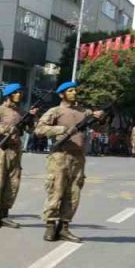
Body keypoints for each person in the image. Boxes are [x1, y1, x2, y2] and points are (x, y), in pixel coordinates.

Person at [33, 81, 105, 242]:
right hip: (60, 155)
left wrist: (100, 119)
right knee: (56, 190)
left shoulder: (85, 112)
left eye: (75, 90)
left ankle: (64, 227)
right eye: (70, 90)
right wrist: (62, 130)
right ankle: (50, 225)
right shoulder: (55, 111)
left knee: (74, 192)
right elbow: (39, 129)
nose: (74, 93)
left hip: (78, 157)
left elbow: (101, 130)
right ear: (62, 94)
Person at [0, 82, 37, 229]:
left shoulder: (20, 112)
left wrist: (31, 120)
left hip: (16, 150)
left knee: (13, 183)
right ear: (9, 95)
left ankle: (4, 214)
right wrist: (5, 130)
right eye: (16, 93)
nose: (19, 95)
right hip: (1, 150)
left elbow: (31, 131)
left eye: (20, 92)